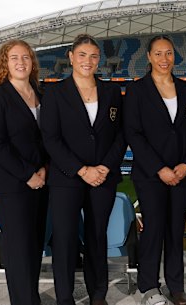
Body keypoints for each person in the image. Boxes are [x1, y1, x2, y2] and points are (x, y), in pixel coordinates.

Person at [40, 34, 126, 305]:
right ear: (71, 57)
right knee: (64, 239)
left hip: (103, 176)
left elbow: (121, 135)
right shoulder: (54, 92)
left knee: (96, 236)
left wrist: (103, 167)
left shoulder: (111, 91)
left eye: (93, 56)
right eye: (82, 55)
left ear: (99, 59)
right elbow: (50, 139)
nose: (87, 61)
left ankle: (97, 294)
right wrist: (81, 169)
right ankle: (64, 297)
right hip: (67, 178)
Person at [123, 35, 186, 305]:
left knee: (175, 230)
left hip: (181, 174)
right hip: (150, 175)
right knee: (153, 229)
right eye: (158, 53)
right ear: (149, 57)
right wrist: (159, 168)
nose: (164, 59)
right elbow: (133, 133)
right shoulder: (136, 91)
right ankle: (148, 285)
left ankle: (176, 285)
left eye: (168, 53)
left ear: (174, 56)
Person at [0, 39, 48, 305]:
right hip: (13, 184)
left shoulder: (39, 92)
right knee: (19, 251)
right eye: (14, 58)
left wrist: (44, 170)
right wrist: (28, 174)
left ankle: (29, 297)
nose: (21, 62)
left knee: (35, 248)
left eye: (25, 57)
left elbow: (46, 138)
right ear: (5, 62)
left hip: (41, 180)